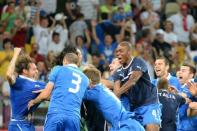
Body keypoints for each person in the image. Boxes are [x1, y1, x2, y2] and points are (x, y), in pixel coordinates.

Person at [28, 53, 89, 131]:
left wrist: (33, 101)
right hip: (74, 117)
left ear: (65, 61)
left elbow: (45, 95)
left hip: (56, 113)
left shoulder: (58, 69)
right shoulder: (85, 79)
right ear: (77, 63)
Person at [113, 41, 161, 131]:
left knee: (151, 128)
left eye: (121, 51)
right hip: (134, 107)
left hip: (149, 102)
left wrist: (117, 93)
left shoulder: (138, 62)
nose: (118, 54)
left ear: (128, 52)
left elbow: (133, 81)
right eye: (117, 51)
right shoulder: (117, 72)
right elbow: (116, 93)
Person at [83, 66, 145, 131]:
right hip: (131, 123)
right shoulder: (102, 88)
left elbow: (79, 93)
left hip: (123, 126)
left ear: (89, 81)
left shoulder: (96, 92)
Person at [6, 48, 46, 131]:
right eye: (34, 69)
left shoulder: (39, 84)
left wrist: (44, 93)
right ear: (25, 71)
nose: (37, 71)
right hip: (18, 124)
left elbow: (55, 93)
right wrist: (16, 54)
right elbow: (9, 74)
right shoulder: (18, 81)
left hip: (29, 125)